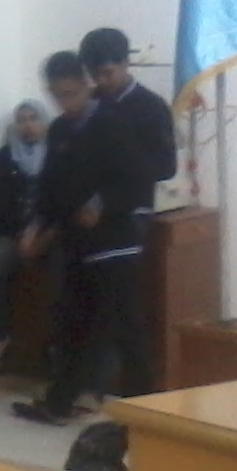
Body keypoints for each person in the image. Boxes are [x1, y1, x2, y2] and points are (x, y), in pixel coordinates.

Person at [12, 51, 154, 426]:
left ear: (85, 85)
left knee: (125, 328)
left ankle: (149, 413)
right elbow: (50, 188)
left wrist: (100, 204)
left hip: (115, 242)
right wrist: (35, 226)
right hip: (78, 243)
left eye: (72, 94)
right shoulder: (60, 130)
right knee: (74, 324)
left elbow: (138, 178)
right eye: (58, 96)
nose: (66, 103)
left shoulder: (111, 122)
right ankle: (60, 402)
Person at [0, 100, 49, 375]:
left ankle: (55, 344)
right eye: (22, 120)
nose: (28, 125)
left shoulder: (57, 154)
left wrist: (38, 233)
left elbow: (60, 201)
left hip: (49, 233)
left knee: (63, 266)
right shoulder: (2, 158)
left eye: (33, 118)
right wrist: (19, 235)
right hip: (13, 233)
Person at [79, 27, 178, 213]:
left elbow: (166, 167)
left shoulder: (152, 106)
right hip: (89, 210)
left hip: (132, 209)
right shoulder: (89, 103)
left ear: (126, 63)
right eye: (93, 74)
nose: (100, 81)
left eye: (107, 73)